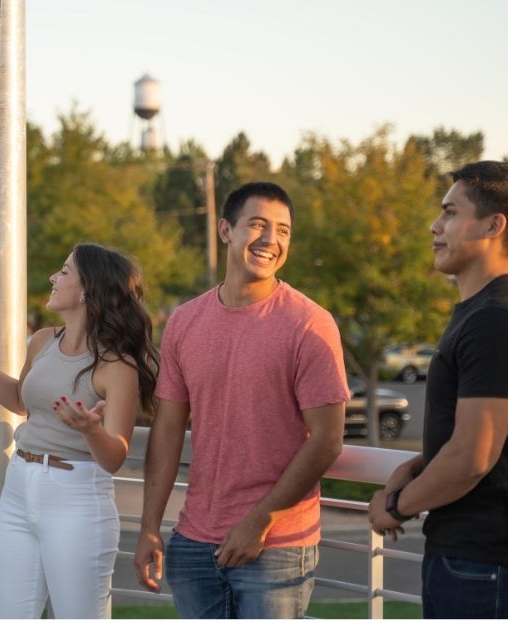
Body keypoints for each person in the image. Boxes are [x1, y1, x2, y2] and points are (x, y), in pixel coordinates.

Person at [133, 181, 349, 619]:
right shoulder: (185, 322)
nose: (272, 240)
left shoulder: (310, 325)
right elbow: (169, 429)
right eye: (258, 225)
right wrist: (150, 527)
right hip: (192, 542)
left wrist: (260, 521)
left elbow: (327, 439)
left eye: (284, 230)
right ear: (225, 230)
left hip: (276, 547)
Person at [0, 242, 158, 618]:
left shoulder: (117, 366)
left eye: (64, 271)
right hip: (18, 489)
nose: (53, 277)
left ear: (85, 290)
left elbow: (114, 456)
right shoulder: (43, 340)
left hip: (77, 500)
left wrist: (91, 430)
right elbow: (20, 401)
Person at [368, 161, 508, 619]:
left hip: (488, 568)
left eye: (449, 212)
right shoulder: (486, 312)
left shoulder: (497, 318)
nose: (434, 225)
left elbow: (473, 457)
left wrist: (397, 506)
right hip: (478, 564)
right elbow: (504, 440)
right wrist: (417, 466)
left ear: (493, 225)